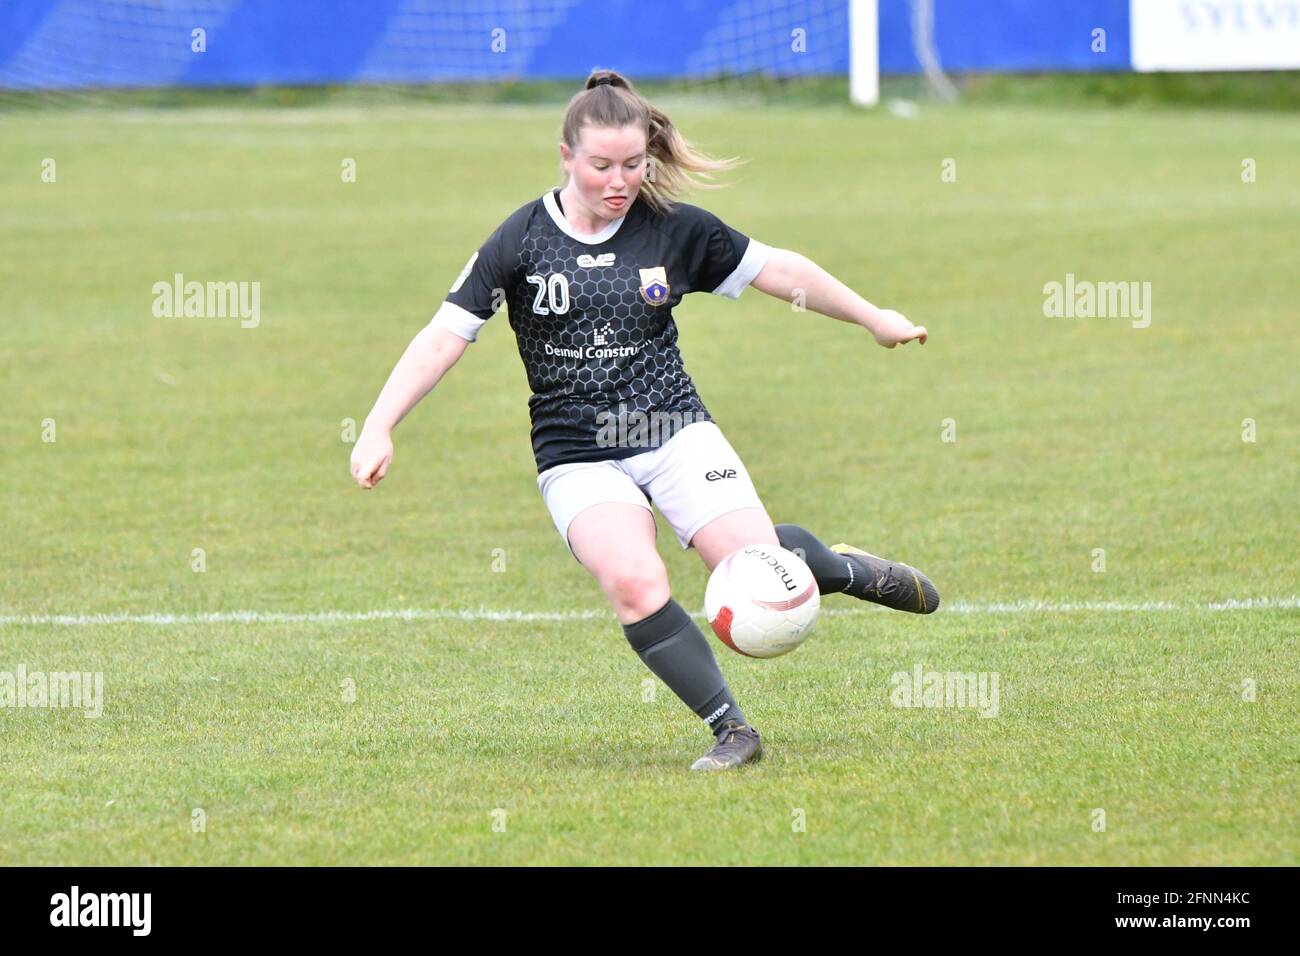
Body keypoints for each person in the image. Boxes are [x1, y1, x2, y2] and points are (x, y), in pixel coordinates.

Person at [351, 69, 939, 772]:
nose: (618, 180)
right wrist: (380, 424)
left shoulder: (673, 230)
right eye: (601, 165)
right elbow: (444, 336)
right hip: (577, 451)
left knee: (758, 578)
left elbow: (779, 272)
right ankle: (733, 731)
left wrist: (875, 319)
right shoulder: (521, 241)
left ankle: (834, 567)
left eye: (633, 164)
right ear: (565, 155)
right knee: (634, 580)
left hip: (673, 429)